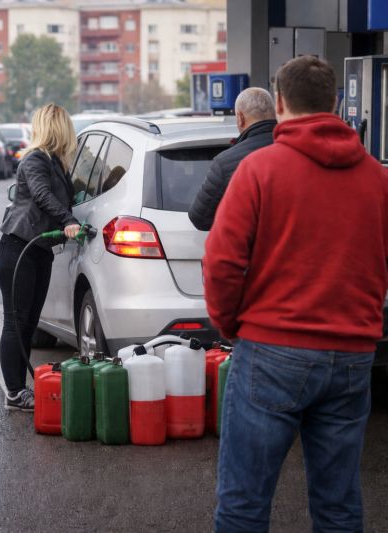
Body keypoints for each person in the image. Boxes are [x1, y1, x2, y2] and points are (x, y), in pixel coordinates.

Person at [204, 55, 388, 532]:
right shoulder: (377, 178)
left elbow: (222, 264)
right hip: (352, 355)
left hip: (270, 351)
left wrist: (231, 326)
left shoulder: (259, 169)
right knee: (339, 505)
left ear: (279, 103)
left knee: (245, 502)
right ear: (336, 102)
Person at [0, 103, 81, 411]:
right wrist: (68, 221)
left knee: (29, 324)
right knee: (16, 323)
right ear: (59, 129)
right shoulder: (35, 159)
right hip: (18, 250)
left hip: (39, 252)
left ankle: (19, 390)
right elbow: (42, 195)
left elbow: (60, 196)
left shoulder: (56, 163)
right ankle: (15, 393)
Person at [188, 87, 277, 231]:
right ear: (275, 113)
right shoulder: (298, 149)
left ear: (240, 118)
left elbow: (200, 218)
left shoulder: (226, 162)